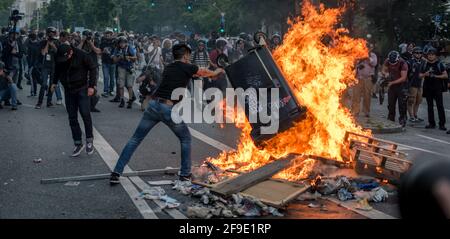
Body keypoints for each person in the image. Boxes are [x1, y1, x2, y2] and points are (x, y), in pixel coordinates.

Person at [110, 44, 225, 185]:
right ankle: (184, 174)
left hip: (153, 106)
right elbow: (207, 73)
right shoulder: (187, 67)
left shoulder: (169, 67)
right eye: (188, 56)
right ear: (185, 56)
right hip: (167, 109)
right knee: (186, 139)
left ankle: (116, 172)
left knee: (135, 139)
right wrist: (220, 69)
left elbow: (193, 74)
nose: (189, 59)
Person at [51, 44, 98, 157]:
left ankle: (89, 140)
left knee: (85, 114)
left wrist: (92, 86)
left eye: (66, 57)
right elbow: (57, 69)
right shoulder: (59, 56)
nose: (65, 60)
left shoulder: (82, 55)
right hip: (68, 89)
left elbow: (93, 68)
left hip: (82, 88)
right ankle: (77, 143)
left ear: (71, 52)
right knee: (72, 117)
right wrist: (54, 82)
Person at [420, 47, 448, 131]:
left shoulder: (439, 64)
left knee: (440, 106)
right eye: (429, 55)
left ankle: (442, 124)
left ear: (436, 56)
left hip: (437, 88)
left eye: (432, 55)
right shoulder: (425, 64)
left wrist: (435, 76)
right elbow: (419, 75)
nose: (430, 56)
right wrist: (425, 74)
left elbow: (445, 75)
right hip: (428, 88)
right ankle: (431, 123)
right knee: (429, 106)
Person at [35, 27, 62, 109]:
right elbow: (43, 53)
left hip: (54, 66)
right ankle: (39, 103)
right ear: (47, 34)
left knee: (52, 84)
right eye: (49, 33)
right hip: (45, 66)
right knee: (43, 84)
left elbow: (58, 53)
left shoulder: (57, 42)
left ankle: (49, 102)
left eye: (52, 33)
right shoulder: (43, 42)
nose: (51, 34)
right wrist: (47, 43)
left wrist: (53, 45)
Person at [381, 51, 409, 127]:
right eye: (391, 62)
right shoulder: (387, 60)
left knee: (402, 104)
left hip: (402, 85)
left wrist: (392, 83)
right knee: (391, 103)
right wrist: (385, 73)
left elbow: (403, 78)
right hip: (392, 85)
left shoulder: (403, 63)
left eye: (394, 62)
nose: (392, 63)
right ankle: (391, 119)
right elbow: (383, 69)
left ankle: (402, 119)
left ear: (397, 59)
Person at [352, 43, 378, 118]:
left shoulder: (373, 55)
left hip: (368, 79)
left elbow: (374, 63)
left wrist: (367, 57)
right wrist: (358, 66)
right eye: (368, 47)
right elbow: (354, 63)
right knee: (356, 95)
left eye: (370, 48)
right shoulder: (359, 54)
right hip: (358, 78)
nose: (369, 49)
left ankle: (366, 112)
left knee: (367, 96)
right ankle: (355, 111)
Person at [79, 30, 102, 113]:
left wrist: (91, 44)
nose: (88, 37)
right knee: (82, 85)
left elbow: (98, 51)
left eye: (89, 35)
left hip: (93, 67)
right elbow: (76, 51)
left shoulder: (95, 41)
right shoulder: (80, 41)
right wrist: (82, 41)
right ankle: (83, 104)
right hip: (83, 67)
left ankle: (91, 105)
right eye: (86, 35)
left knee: (93, 86)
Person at [112, 36, 137, 109]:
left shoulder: (130, 48)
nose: (122, 44)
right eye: (120, 43)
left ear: (126, 43)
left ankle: (130, 100)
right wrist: (119, 57)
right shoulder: (117, 49)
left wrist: (128, 57)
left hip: (129, 68)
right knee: (121, 85)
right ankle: (122, 100)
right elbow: (114, 60)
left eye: (123, 43)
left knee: (129, 85)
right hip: (121, 68)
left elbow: (135, 58)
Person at [406, 47, 425, 123]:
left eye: (420, 53)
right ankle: (411, 116)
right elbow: (406, 74)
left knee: (418, 100)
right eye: (417, 53)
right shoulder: (409, 62)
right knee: (411, 100)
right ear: (413, 53)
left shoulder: (423, 62)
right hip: (412, 84)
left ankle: (415, 115)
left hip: (420, 84)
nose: (418, 54)